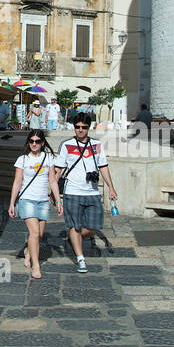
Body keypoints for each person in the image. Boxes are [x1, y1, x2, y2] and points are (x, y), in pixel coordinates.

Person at [53, 113, 118, 274]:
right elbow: (59, 170)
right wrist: (53, 192)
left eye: (84, 127)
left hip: (92, 192)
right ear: (74, 127)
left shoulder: (96, 145)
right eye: (77, 127)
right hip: (72, 192)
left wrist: (111, 187)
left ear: (89, 128)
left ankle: (74, 238)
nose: (80, 130)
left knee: (94, 226)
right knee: (74, 225)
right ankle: (80, 258)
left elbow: (103, 166)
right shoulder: (67, 144)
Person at [8, 130, 62, 279]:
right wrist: (12, 203)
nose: (34, 144)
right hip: (27, 199)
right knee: (35, 233)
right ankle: (36, 266)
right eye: (31, 141)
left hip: (43, 200)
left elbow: (52, 180)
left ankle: (28, 253)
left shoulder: (49, 158)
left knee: (39, 235)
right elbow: (17, 182)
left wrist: (58, 200)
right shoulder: (23, 160)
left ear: (42, 143)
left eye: (37, 141)